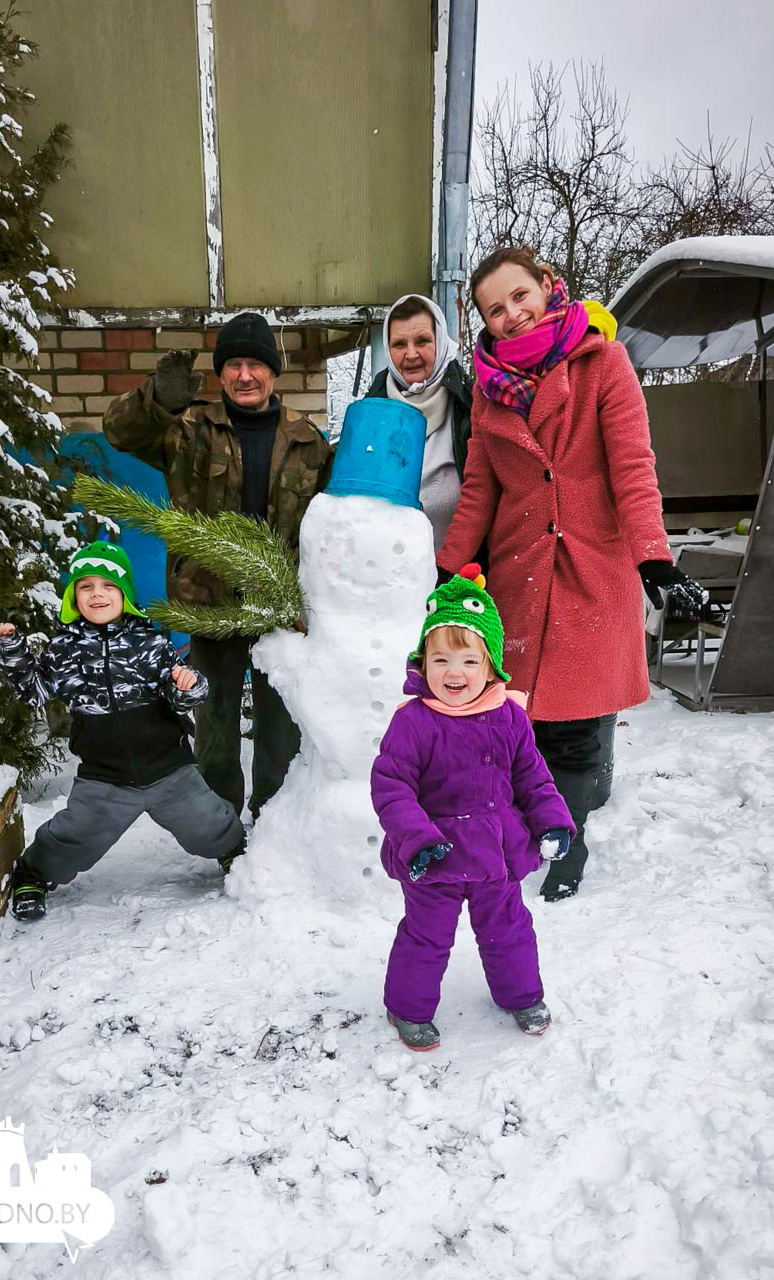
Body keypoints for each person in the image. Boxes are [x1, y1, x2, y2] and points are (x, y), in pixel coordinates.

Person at [437, 245, 705, 902]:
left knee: (582, 729)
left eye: (519, 297)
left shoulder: (601, 362)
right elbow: (479, 490)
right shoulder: (488, 390)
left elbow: (634, 469)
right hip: (520, 578)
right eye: (495, 310)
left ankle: (569, 837)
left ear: (547, 286)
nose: (512, 316)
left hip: (591, 569)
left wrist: (654, 557)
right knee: (523, 722)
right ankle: (536, 821)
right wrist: (445, 577)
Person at [103, 313, 333, 822]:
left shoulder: (307, 439)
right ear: (220, 373)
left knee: (281, 730)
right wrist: (158, 399)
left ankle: (276, 827)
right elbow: (119, 432)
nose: (245, 375)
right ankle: (223, 831)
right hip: (209, 602)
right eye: (233, 365)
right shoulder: (188, 428)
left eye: (255, 364)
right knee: (215, 730)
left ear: (273, 373)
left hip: (279, 606)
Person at [371, 567, 575, 1051]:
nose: (454, 673)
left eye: (467, 660)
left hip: (496, 856)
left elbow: (531, 776)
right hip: (434, 860)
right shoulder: (414, 722)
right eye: (440, 659)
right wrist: (415, 838)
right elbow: (392, 786)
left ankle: (520, 995)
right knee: (426, 936)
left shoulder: (509, 716)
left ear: (490, 665)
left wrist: (552, 820)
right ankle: (408, 1009)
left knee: (509, 930)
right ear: (423, 663)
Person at [0, 541, 244, 920]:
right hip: (105, 779)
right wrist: (12, 650)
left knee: (209, 826)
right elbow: (34, 691)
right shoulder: (64, 649)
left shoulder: (148, 640)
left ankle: (238, 853)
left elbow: (183, 697)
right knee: (74, 838)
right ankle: (33, 874)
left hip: (169, 770)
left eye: (108, 586)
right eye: (86, 586)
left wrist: (186, 685)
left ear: (123, 594)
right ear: (73, 596)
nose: (97, 594)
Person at [365, 294, 473, 550]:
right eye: (399, 344)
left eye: (422, 341)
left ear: (441, 342)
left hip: (458, 578)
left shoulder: (469, 407)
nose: (410, 354)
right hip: (388, 577)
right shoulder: (371, 412)